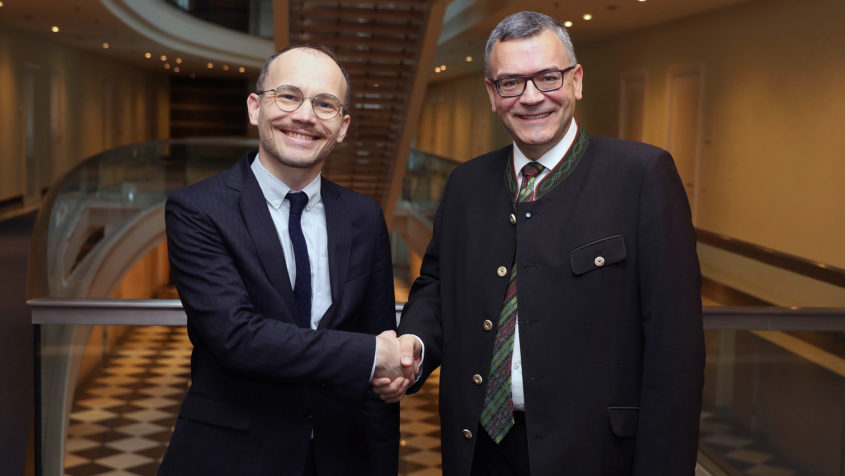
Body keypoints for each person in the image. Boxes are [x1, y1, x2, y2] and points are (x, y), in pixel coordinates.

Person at [374, 11, 705, 476]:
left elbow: (676, 351)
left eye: (548, 77)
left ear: (577, 81)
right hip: (479, 452)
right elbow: (434, 287)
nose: (531, 98)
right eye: (511, 83)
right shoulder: (465, 184)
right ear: (492, 94)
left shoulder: (642, 177)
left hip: (595, 456)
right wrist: (415, 345)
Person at [159, 44, 412, 476]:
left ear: (343, 126)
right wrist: (371, 354)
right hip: (231, 456)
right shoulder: (197, 209)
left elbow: (378, 361)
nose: (305, 116)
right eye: (289, 96)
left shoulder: (363, 216)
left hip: (341, 457)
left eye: (325, 104)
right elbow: (236, 337)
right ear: (255, 107)